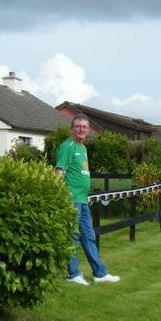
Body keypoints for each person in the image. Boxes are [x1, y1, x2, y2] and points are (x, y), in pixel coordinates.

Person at [54, 115, 120, 285]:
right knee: (73, 236)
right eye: (78, 126)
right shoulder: (67, 147)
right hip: (71, 199)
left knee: (89, 236)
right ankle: (73, 274)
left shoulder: (82, 148)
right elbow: (59, 172)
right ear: (72, 129)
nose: (82, 129)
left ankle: (99, 273)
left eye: (85, 127)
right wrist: (61, 197)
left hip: (82, 200)